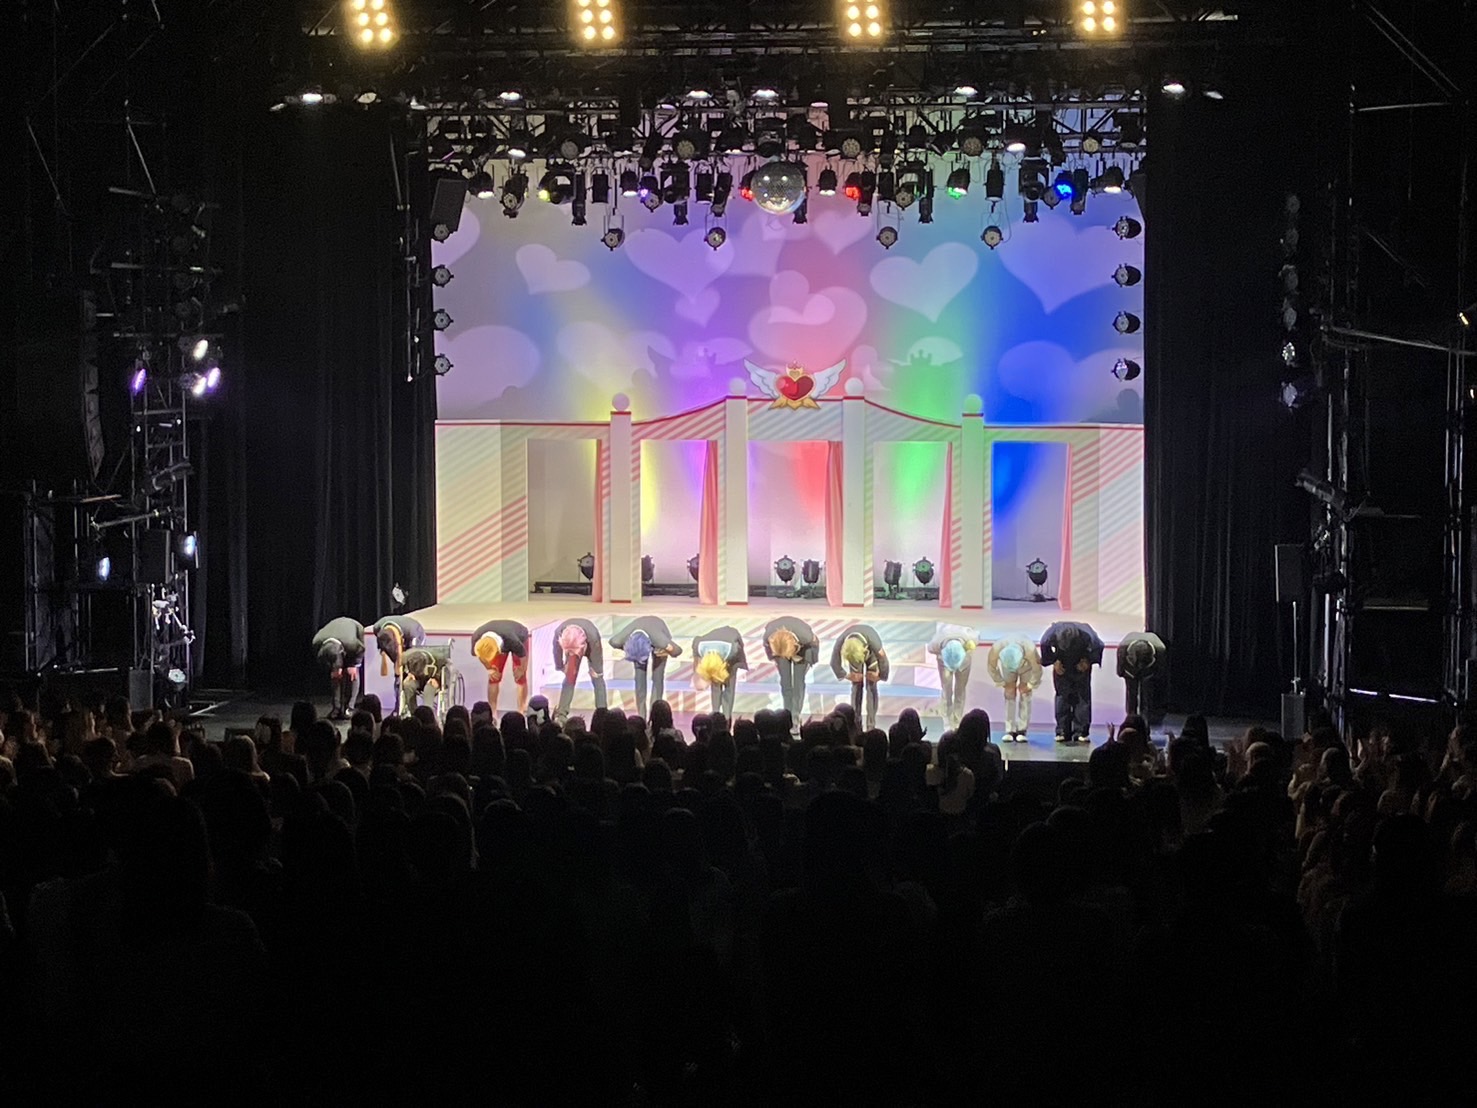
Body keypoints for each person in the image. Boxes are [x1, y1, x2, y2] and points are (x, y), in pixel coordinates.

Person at [1039, 621, 1105, 744]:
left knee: (1082, 697)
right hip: (1061, 662)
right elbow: (1044, 645)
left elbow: (1099, 646)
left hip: (1081, 661)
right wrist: (1054, 661)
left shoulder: (1087, 633)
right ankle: (1062, 731)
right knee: (1062, 696)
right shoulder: (1052, 633)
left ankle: (1081, 732)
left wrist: (1088, 661)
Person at [609, 616, 683, 717]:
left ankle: (655, 715)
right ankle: (641, 716)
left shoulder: (660, 641)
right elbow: (612, 642)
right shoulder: (620, 639)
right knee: (639, 680)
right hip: (637, 643)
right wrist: (628, 648)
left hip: (659, 642)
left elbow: (678, 651)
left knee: (657, 677)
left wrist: (668, 650)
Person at [830, 624, 889, 731]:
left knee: (871, 684)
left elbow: (883, 659)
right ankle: (855, 723)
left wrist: (880, 676)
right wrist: (847, 676)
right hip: (854, 653)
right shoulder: (841, 641)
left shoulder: (874, 641)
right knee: (857, 684)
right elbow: (834, 662)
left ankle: (871, 725)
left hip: (871, 652)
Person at [986, 635, 1043, 743]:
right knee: (1009, 693)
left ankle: (1022, 730)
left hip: (1026, 666)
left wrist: (1030, 685)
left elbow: (1037, 670)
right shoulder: (997, 648)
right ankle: (1009, 730)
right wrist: (1002, 683)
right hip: (1007, 668)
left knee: (1025, 694)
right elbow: (991, 667)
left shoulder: (1030, 650)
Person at [763, 617, 819, 723]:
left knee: (799, 681)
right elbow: (768, 649)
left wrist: (810, 662)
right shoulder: (768, 637)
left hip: (802, 650)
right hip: (780, 647)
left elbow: (815, 645)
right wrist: (775, 660)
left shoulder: (806, 637)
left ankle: (796, 715)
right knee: (785, 681)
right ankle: (787, 714)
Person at [551, 617, 608, 723]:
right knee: (570, 678)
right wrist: (560, 666)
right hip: (572, 644)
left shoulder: (593, 637)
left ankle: (602, 713)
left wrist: (597, 671)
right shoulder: (559, 634)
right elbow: (556, 651)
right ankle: (561, 714)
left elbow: (597, 663)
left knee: (597, 678)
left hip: (591, 646)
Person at [471, 619, 531, 714]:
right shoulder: (476, 638)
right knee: (494, 676)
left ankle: (521, 710)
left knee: (520, 676)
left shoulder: (513, 641)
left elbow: (523, 656)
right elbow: (480, 655)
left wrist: (521, 669)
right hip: (499, 637)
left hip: (518, 636)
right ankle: (492, 712)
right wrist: (489, 668)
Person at [311, 617, 365, 720]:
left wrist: (354, 664)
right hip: (334, 642)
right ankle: (337, 708)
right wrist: (334, 670)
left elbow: (361, 649)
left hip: (353, 634)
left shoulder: (352, 643)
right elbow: (322, 661)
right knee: (335, 677)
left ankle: (349, 708)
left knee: (353, 674)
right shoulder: (316, 642)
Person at [372, 614, 425, 713]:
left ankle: (410, 707)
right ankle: (398, 704)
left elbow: (414, 657)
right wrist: (385, 654)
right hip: (396, 640)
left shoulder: (413, 632)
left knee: (408, 674)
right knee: (398, 677)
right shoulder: (377, 628)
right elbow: (384, 647)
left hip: (413, 639)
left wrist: (410, 671)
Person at [928, 624, 977, 729]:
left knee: (960, 690)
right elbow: (930, 649)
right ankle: (947, 725)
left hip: (964, 662)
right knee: (947, 691)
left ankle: (957, 723)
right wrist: (941, 653)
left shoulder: (971, 637)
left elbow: (975, 640)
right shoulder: (937, 641)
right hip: (944, 663)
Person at [692, 625, 748, 718]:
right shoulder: (698, 646)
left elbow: (739, 648)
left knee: (729, 686)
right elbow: (696, 659)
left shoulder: (733, 651)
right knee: (715, 685)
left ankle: (726, 716)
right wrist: (695, 674)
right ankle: (715, 714)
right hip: (715, 644)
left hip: (731, 650)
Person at [1116, 630, 1167, 723]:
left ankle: (1146, 718)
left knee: (1148, 693)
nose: (1140, 667)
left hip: (1149, 669)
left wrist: (1149, 677)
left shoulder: (1160, 649)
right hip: (1131, 668)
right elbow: (1120, 671)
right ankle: (1131, 717)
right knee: (1131, 692)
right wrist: (1130, 675)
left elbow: (1160, 671)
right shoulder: (1122, 649)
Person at [400, 642, 457, 720]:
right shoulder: (405, 656)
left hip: (433, 679)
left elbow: (448, 670)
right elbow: (400, 668)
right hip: (416, 678)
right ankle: (414, 714)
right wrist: (407, 674)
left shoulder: (439, 658)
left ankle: (427, 716)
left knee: (428, 688)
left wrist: (437, 679)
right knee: (408, 685)